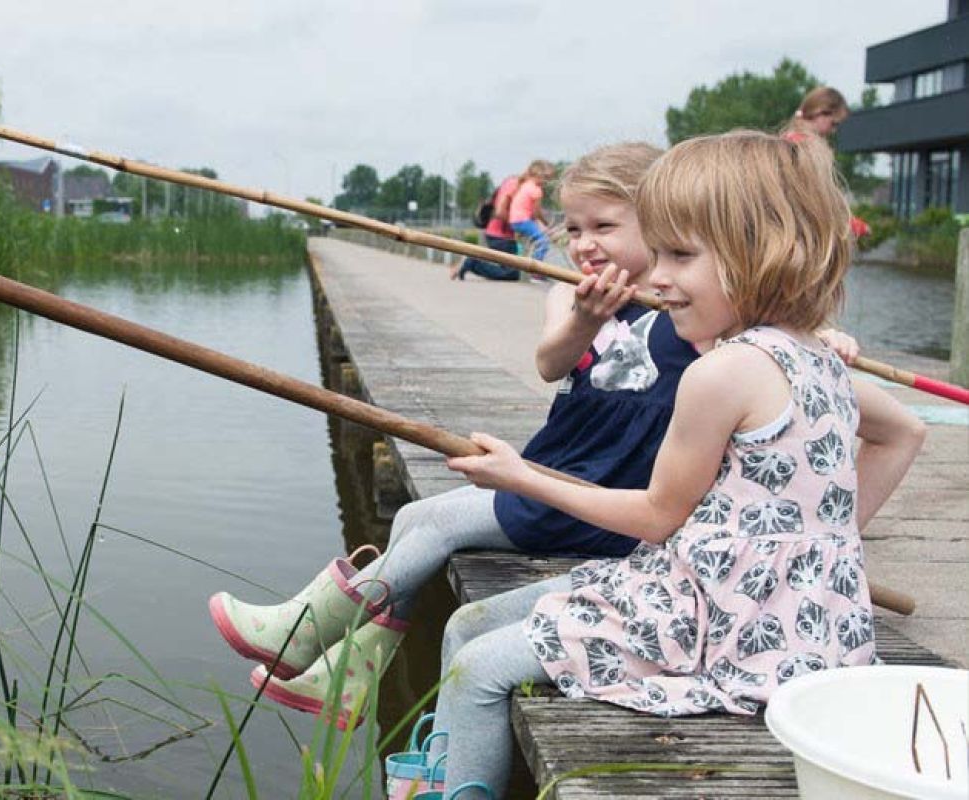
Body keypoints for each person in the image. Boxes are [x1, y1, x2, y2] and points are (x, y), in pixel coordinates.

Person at [422, 131, 925, 797]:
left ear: (762, 253)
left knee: (479, 668)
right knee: (466, 619)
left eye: (680, 255)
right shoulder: (814, 353)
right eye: (655, 252)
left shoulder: (721, 372)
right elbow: (904, 433)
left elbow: (658, 516)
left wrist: (521, 476)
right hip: (800, 621)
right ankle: (444, 769)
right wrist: (816, 548)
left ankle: (446, 783)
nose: (656, 278)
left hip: (718, 630)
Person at [208, 142, 698, 727]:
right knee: (416, 519)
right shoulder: (567, 293)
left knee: (435, 523)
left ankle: (305, 632)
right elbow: (549, 362)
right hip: (553, 474)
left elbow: (768, 327)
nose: (585, 243)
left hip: (602, 498)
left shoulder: (687, 309)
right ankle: (347, 677)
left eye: (605, 226)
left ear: (660, 224)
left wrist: (831, 339)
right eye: (573, 227)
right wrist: (587, 320)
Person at [782, 86, 871, 240]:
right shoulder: (809, 148)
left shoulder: (785, 140)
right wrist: (852, 225)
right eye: (834, 124)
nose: (834, 131)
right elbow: (817, 200)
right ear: (821, 113)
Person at [457, 174, 523, 281]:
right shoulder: (513, 186)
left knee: (510, 269)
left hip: (495, 233)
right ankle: (472, 263)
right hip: (502, 236)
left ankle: (471, 262)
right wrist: (517, 224)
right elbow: (501, 212)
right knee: (512, 273)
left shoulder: (504, 186)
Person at [507, 160, 556, 267]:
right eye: (547, 179)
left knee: (530, 242)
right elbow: (536, 212)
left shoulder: (525, 184)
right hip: (522, 220)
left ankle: (523, 266)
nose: (547, 182)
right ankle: (536, 271)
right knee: (543, 242)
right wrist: (546, 223)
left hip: (514, 221)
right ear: (540, 176)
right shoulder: (536, 190)